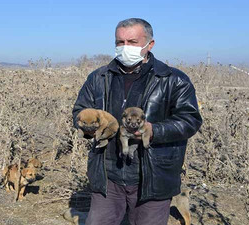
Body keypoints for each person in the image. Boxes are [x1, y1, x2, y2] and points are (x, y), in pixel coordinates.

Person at [72, 18, 202, 225]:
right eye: (119, 42)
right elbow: (79, 112)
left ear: (149, 44)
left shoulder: (173, 79)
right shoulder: (98, 78)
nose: (124, 48)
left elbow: (190, 120)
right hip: (107, 175)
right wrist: (93, 126)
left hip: (152, 177)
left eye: (132, 42)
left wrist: (154, 130)